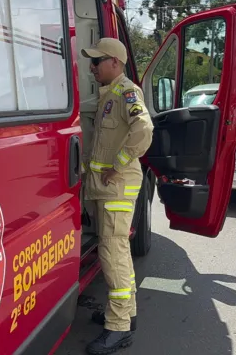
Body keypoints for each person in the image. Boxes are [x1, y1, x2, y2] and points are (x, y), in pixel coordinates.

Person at [79, 37, 154, 355]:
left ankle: (119, 329)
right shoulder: (106, 96)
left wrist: (117, 164)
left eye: (97, 62)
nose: (92, 67)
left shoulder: (127, 92)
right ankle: (125, 315)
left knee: (114, 255)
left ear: (115, 62)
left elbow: (144, 130)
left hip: (117, 187)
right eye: (91, 62)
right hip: (103, 188)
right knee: (113, 253)